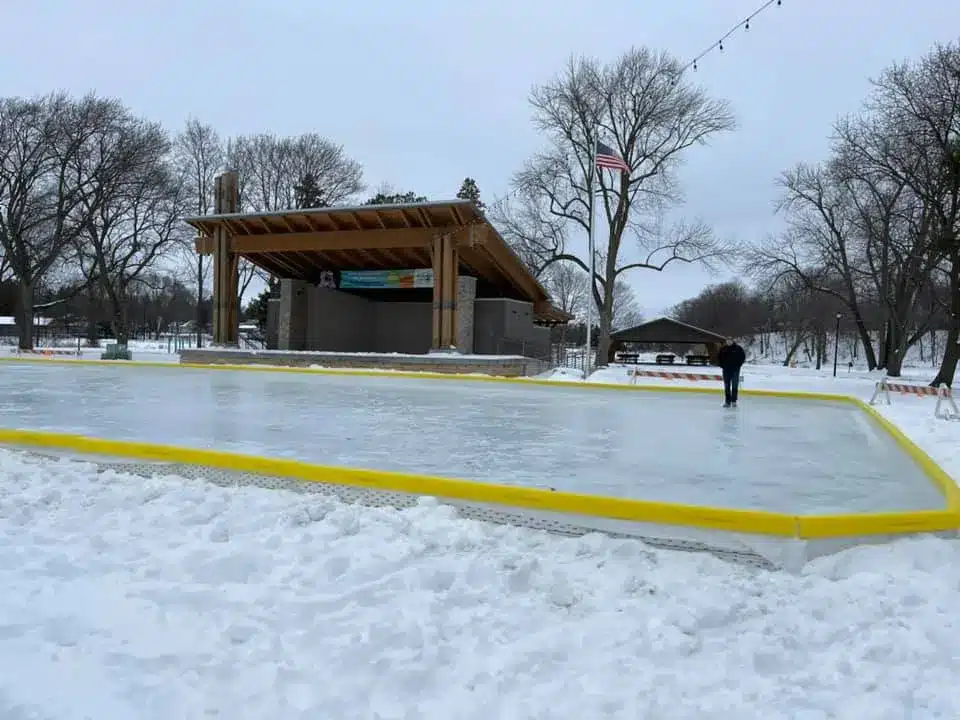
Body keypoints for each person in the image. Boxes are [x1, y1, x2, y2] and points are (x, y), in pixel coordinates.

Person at [717, 338, 746, 408]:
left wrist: (739, 365)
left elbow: (743, 357)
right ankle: (727, 402)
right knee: (727, 386)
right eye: (727, 341)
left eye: (730, 341)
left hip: (735, 370)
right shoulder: (723, 349)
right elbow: (719, 358)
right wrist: (722, 366)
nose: (729, 342)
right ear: (726, 341)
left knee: (734, 386)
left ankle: (734, 401)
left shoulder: (738, 348)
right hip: (726, 370)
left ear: (733, 341)